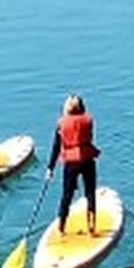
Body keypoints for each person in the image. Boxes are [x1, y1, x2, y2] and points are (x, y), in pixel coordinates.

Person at [48, 92, 100, 235]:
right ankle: (91, 226)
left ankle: (61, 227)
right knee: (90, 193)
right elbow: (89, 138)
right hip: (87, 159)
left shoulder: (61, 123)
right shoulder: (88, 120)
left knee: (67, 194)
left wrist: (50, 168)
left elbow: (56, 146)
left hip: (71, 162)